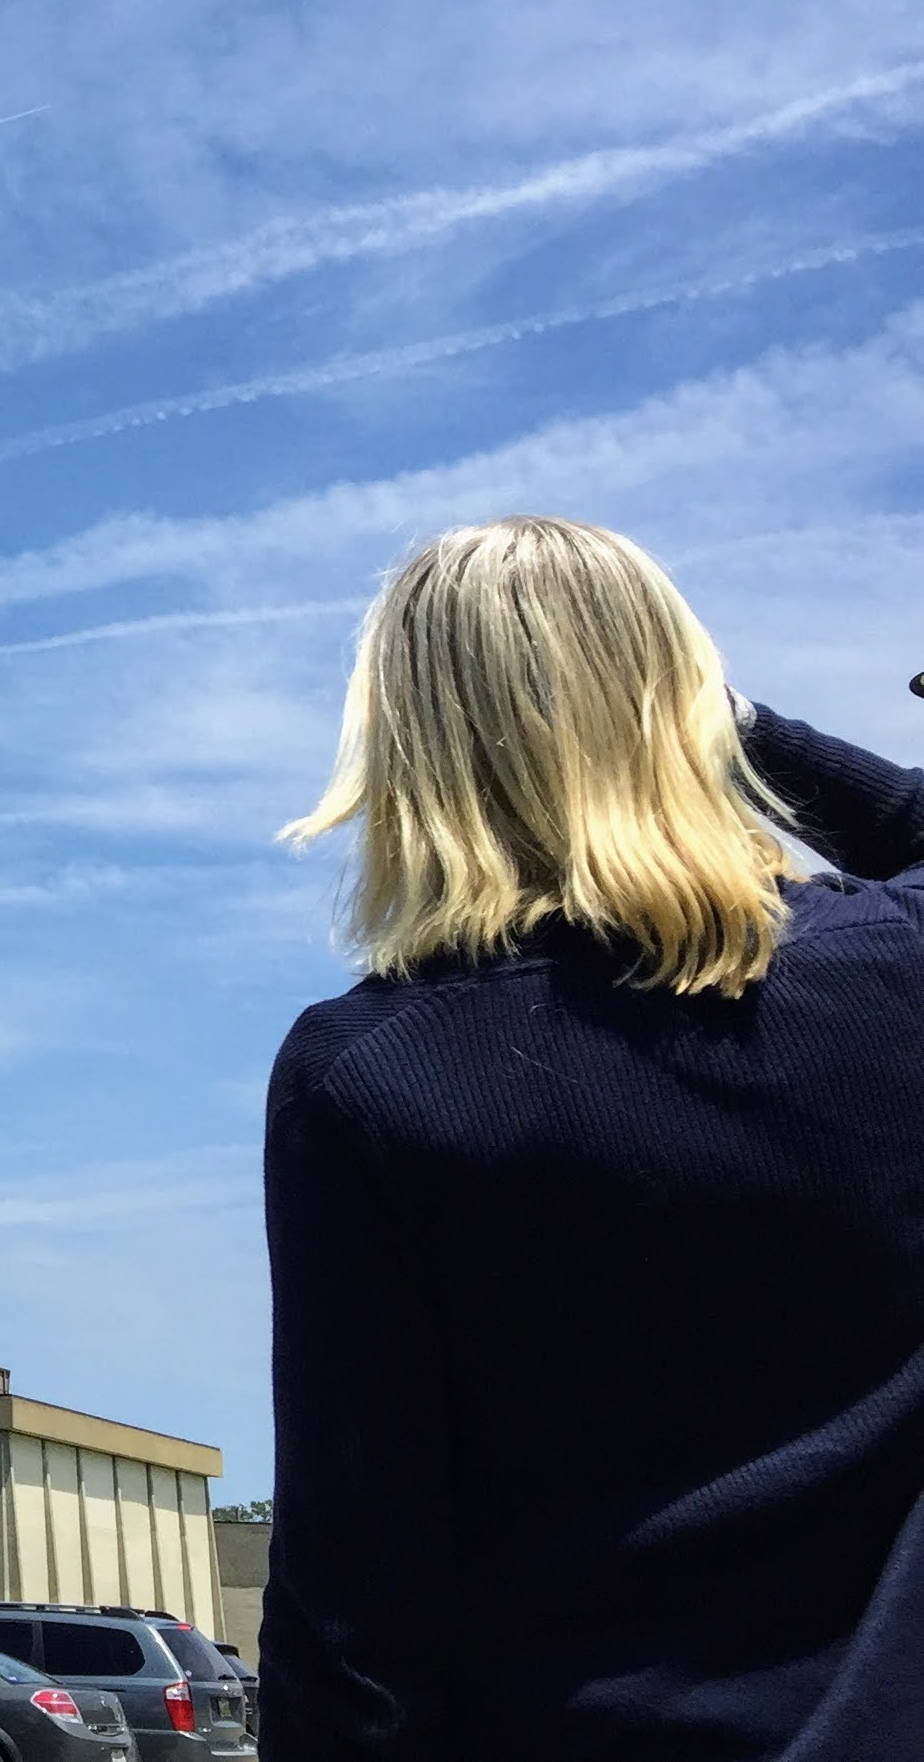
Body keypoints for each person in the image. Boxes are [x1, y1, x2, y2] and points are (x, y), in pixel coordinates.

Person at [263, 515, 924, 1760]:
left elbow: (355, 1607)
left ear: (409, 752)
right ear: (691, 714)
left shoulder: (370, 1076)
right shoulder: (903, 973)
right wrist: (740, 728)